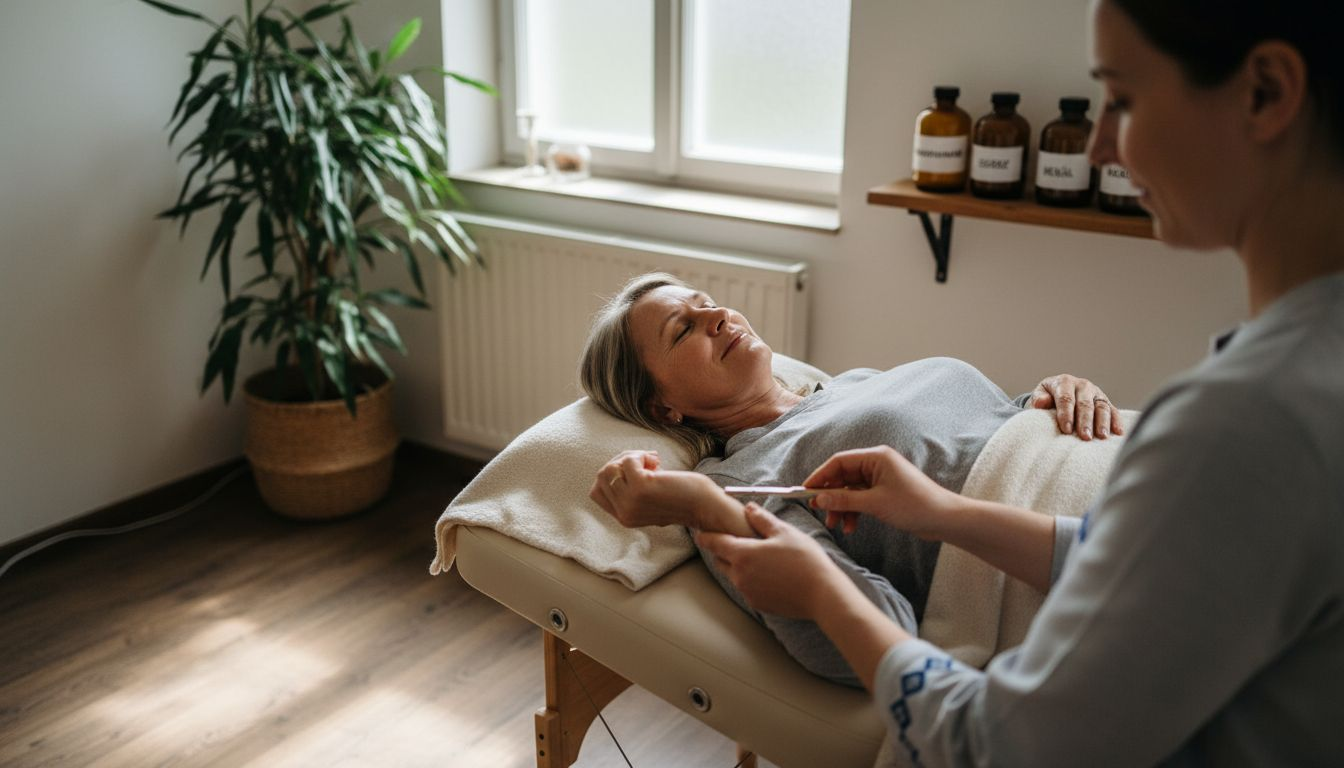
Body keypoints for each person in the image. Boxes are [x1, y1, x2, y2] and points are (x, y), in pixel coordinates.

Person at [695, 0, 1344, 763]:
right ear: (660, 402)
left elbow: (1000, 748)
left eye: (1124, 99)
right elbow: (1154, 562)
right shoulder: (1282, 391)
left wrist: (822, 593)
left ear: (1266, 92)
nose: (1101, 144)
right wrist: (940, 513)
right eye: (680, 326)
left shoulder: (1242, 424)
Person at [582, 271, 1122, 686]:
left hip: (1115, 461)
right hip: (1080, 549)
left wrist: (1056, 396)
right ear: (663, 408)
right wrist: (706, 509)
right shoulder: (739, 482)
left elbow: (988, 424)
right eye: (684, 329)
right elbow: (855, 638)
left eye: (707, 303)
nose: (719, 316)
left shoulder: (854, 383)